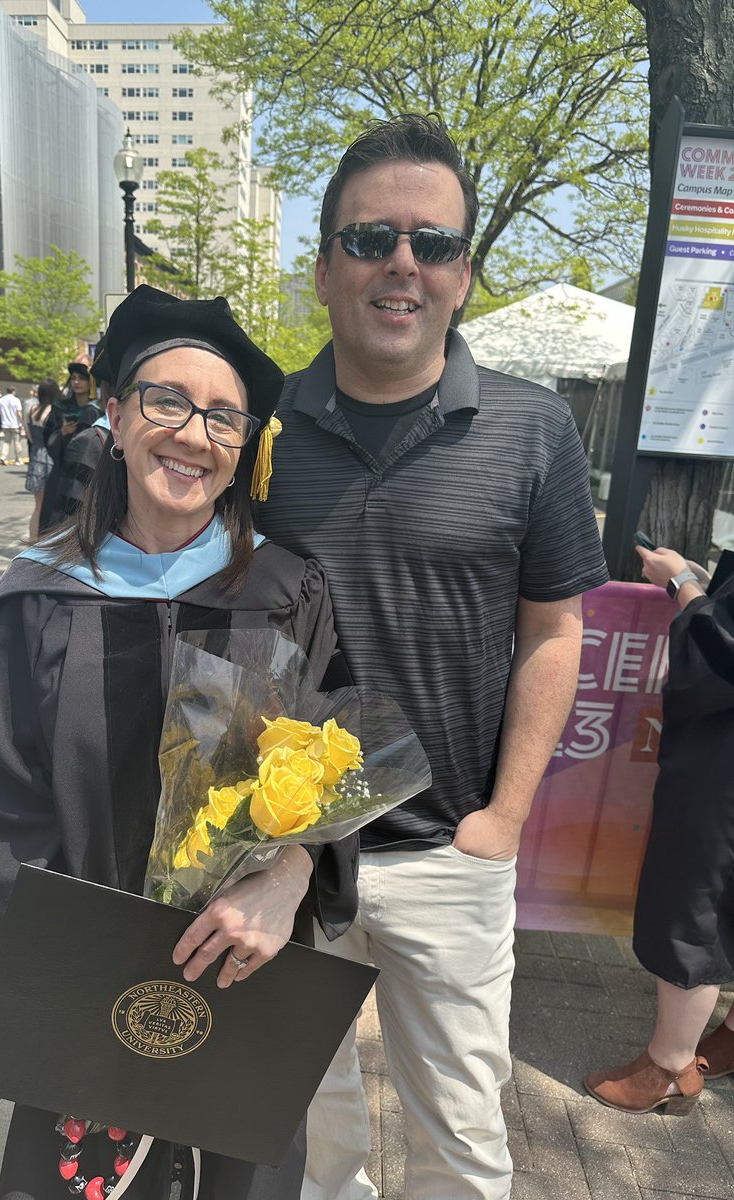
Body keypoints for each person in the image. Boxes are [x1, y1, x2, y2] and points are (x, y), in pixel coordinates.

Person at [0, 285, 355, 1199]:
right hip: (86, 983)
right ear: (114, 417)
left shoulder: (287, 590)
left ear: (244, 450)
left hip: (242, 968)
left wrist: (289, 876)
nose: (192, 434)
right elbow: (2, 810)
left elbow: (330, 775)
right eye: (166, 401)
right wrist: (68, 968)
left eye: (223, 417)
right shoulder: (37, 597)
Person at [258, 114, 610, 1200]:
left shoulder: (532, 429)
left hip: (447, 855)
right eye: (370, 240)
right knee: (298, 1129)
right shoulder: (258, 430)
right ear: (324, 271)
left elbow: (556, 631)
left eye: (433, 243)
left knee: (460, 1142)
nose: (402, 263)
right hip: (282, 854)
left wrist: (501, 822)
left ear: (464, 276)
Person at [584, 545, 734, 1115]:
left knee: (697, 894)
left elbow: (724, 648)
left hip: (724, 764)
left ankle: (670, 1065)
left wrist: (682, 586)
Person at [38, 360, 101, 532]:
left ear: (91, 382)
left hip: (88, 474)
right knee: (53, 520)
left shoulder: (97, 410)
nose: (76, 382)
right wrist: (61, 433)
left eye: (81, 378)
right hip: (62, 471)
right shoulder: (61, 408)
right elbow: (47, 437)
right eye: (73, 378)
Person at [23, 379, 58, 539]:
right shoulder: (53, 411)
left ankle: (33, 540)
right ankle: (45, 540)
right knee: (49, 504)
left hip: (35, 457)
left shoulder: (31, 410)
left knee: (37, 505)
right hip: (50, 458)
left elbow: (29, 436)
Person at [0, 386, 24, 465]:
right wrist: (21, 423)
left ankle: (3, 456)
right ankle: (18, 459)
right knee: (17, 442)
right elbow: (19, 412)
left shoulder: (1, 400)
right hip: (14, 423)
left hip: (5, 423)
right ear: (14, 391)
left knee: (6, 441)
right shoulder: (16, 400)